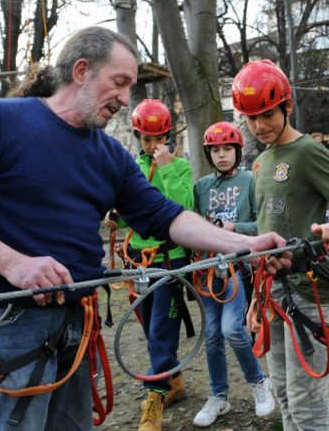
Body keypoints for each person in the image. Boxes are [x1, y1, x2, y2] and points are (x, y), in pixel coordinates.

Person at [0, 26, 291, 431]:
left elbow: (166, 216)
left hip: (76, 325)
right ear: (81, 71)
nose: (126, 98)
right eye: (120, 82)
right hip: (9, 324)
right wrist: (12, 263)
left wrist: (245, 244)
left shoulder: (108, 154)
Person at [234, 60, 329, 430]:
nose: (259, 125)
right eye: (251, 118)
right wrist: (255, 296)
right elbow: (265, 229)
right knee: (282, 392)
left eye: (267, 114)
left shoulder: (308, 151)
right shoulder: (260, 163)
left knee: (307, 400)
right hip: (272, 289)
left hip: (311, 289)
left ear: (287, 107)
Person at [108, 98, 195, 430]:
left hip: (168, 260)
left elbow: (184, 207)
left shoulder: (181, 167)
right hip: (137, 262)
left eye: (159, 138)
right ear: (138, 137)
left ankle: (155, 395)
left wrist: (169, 166)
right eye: (147, 139)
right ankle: (173, 381)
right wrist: (118, 219)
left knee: (161, 330)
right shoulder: (132, 167)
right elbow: (135, 213)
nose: (154, 145)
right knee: (148, 328)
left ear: (169, 136)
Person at [191, 121, 275, 427]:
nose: (221, 155)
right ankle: (219, 396)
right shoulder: (201, 187)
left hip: (237, 268)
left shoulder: (250, 181)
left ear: (237, 151)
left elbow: (262, 225)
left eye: (227, 148)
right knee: (212, 335)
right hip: (206, 270)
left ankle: (259, 382)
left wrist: (232, 228)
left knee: (232, 330)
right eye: (215, 150)